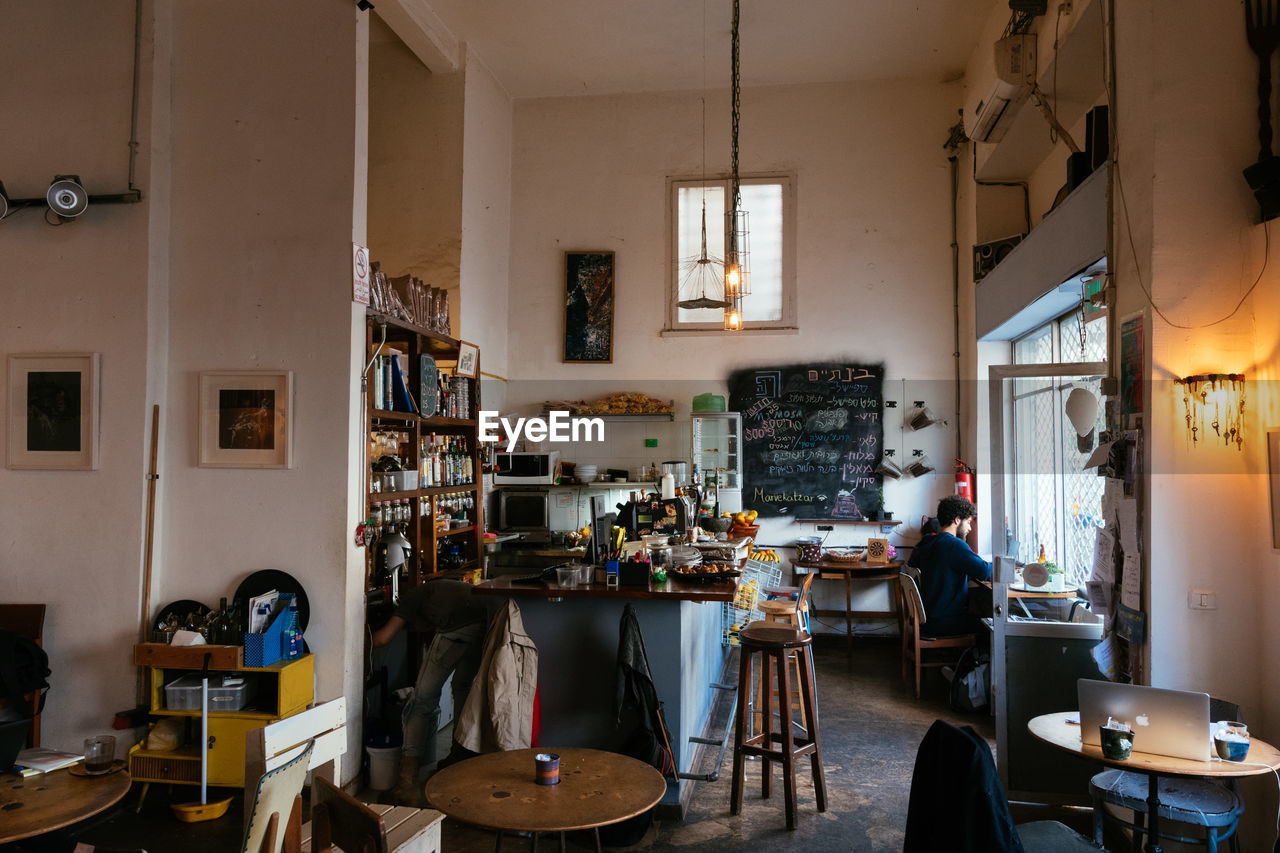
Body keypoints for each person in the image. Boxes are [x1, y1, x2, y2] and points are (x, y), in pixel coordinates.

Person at [371, 578, 489, 802]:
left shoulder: (409, 601)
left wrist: (360, 641)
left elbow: (384, 637)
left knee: (421, 700)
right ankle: (458, 759)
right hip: (485, 623)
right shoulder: (434, 593)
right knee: (462, 687)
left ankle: (407, 782)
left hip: (459, 628)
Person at [908, 495, 990, 636]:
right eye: (968, 522)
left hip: (928, 618)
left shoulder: (927, 542)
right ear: (957, 520)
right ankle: (973, 657)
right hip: (945, 622)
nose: (970, 528)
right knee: (990, 626)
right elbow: (985, 571)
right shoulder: (954, 545)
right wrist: (1003, 565)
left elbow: (943, 568)